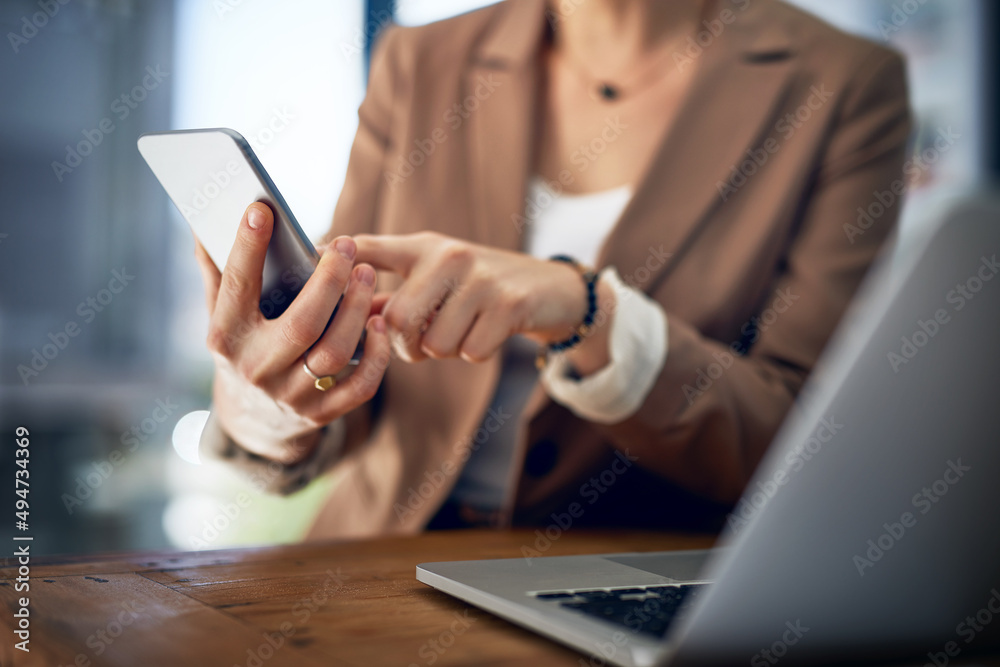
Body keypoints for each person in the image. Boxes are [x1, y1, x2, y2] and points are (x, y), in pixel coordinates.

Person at [196, 0, 912, 539]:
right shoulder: (418, 61)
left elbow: (807, 443)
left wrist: (589, 312)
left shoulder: (843, 85)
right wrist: (264, 404)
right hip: (371, 574)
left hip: (631, 587)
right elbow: (343, 374)